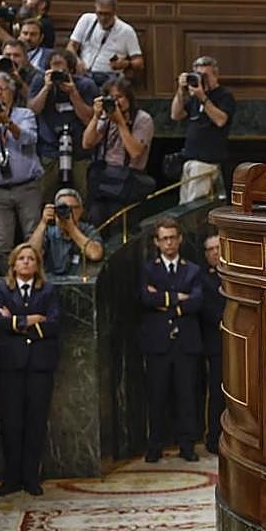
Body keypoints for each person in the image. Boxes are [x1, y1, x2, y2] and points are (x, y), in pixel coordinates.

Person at [0, 243, 59, 497]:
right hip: (11, 366)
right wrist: (30, 319)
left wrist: (15, 322)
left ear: (37, 265)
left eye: (31, 259)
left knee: (35, 422)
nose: (27, 262)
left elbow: (53, 323)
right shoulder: (2, 290)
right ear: (14, 264)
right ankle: (11, 478)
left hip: (39, 366)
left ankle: (32, 477)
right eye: (22, 258)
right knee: (11, 422)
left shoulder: (48, 290)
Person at [139, 217, 204, 463]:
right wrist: (179, 298)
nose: (169, 243)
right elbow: (146, 299)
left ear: (180, 239)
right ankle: (155, 445)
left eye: (173, 237)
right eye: (164, 238)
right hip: (158, 343)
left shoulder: (193, 269)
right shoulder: (148, 269)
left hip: (185, 343)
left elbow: (197, 302)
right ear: (157, 242)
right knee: (157, 396)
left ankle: (187, 445)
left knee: (186, 395)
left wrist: (165, 301)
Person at [0, 70, 44, 270]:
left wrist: (7, 122)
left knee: (34, 238)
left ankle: (35, 282)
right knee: (2, 242)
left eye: (3, 89)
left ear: (12, 93)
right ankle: (10, 285)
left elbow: (29, 139)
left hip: (27, 187)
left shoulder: (25, 115)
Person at [83, 75, 156, 225]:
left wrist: (121, 123)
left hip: (128, 182)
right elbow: (87, 143)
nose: (116, 102)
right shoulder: (105, 117)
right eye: (111, 98)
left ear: (129, 98)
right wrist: (96, 117)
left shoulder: (143, 119)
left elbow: (135, 152)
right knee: (96, 221)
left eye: (120, 97)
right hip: (104, 180)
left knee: (121, 227)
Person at [27, 49, 98, 202]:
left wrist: (73, 93)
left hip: (80, 150)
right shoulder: (40, 81)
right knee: (47, 195)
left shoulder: (85, 85)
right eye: (54, 70)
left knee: (82, 195)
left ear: (71, 70)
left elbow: (88, 118)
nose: (58, 74)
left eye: (62, 71)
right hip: (50, 150)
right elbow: (33, 110)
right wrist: (46, 88)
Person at [171, 55, 236, 202]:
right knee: (184, 206)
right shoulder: (194, 96)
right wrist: (181, 90)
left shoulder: (224, 96)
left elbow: (221, 120)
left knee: (195, 207)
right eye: (198, 75)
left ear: (215, 75)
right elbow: (176, 114)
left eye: (205, 75)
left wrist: (203, 98)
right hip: (189, 160)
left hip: (207, 163)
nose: (202, 79)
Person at [67, 0, 144, 86]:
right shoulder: (86, 19)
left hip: (109, 77)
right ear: (95, 9)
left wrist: (125, 64)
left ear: (115, 11)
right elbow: (71, 47)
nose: (103, 18)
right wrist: (77, 61)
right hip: (84, 74)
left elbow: (139, 62)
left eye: (107, 14)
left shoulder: (126, 31)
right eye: (100, 13)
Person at [27, 188, 104, 276]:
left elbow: (95, 254)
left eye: (73, 208)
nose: (68, 212)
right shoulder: (48, 231)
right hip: (51, 282)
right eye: (62, 208)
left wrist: (71, 229)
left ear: (81, 210)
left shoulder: (88, 230)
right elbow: (30, 254)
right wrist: (43, 223)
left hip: (79, 283)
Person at [199, 233, 224, 454]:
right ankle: (213, 437)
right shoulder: (202, 279)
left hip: (240, 343)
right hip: (216, 344)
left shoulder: (235, 275)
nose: (215, 252)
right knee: (216, 392)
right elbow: (205, 308)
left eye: (219, 247)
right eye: (211, 249)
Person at [0, 37, 38, 105]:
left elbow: (35, 100)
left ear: (25, 58)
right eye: (8, 55)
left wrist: (19, 81)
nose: (12, 59)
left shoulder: (36, 75)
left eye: (16, 55)